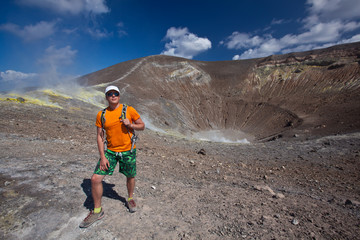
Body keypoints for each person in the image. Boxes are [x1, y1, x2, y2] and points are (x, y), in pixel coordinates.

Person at [80, 85, 145, 228]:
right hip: (110, 152)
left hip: (128, 150)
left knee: (130, 176)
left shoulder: (129, 110)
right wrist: (102, 156)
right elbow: (99, 136)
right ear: (106, 97)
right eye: (110, 94)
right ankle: (97, 211)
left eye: (115, 93)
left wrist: (131, 125)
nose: (113, 96)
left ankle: (129, 198)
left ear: (119, 96)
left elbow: (142, 125)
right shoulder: (102, 115)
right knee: (95, 178)